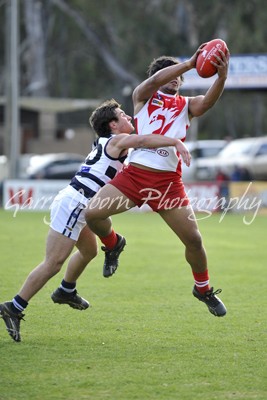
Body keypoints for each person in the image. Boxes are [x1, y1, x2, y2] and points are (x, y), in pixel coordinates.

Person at [0, 99, 191, 342]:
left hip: (80, 205)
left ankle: (67, 290)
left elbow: (141, 143)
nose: (129, 117)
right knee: (53, 262)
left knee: (89, 251)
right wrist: (175, 141)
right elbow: (142, 140)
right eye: (123, 115)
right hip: (75, 204)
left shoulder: (107, 141)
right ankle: (14, 307)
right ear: (113, 124)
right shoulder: (116, 140)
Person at [85, 43, 230, 317]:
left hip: (167, 184)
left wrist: (221, 77)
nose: (174, 77)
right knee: (92, 214)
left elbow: (208, 102)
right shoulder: (143, 97)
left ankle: (203, 288)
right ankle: (113, 243)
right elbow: (152, 81)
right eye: (168, 73)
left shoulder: (186, 105)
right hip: (135, 174)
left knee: (195, 241)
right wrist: (189, 63)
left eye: (177, 75)